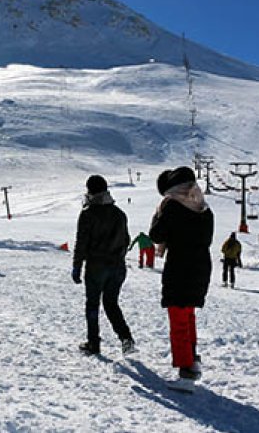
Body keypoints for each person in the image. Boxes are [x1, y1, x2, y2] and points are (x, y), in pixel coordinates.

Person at [149, 166, 213, 391]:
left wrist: (159, 214)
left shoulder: (172, 207)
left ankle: (185, 371)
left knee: (178, 319)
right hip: (201, 266)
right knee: (188, 316)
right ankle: (192, 363)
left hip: (179, 266)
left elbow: (156, 235)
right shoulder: (205, 209)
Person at [72, 175, 135, 356]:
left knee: (93, 304)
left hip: (96, 267)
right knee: (111, 303)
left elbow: (81, 243)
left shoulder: (88, 214)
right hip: (117, 267)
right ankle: (126, 338)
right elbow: (126, 239)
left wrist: (77, 266)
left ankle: (93, 342)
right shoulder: (119, 213)